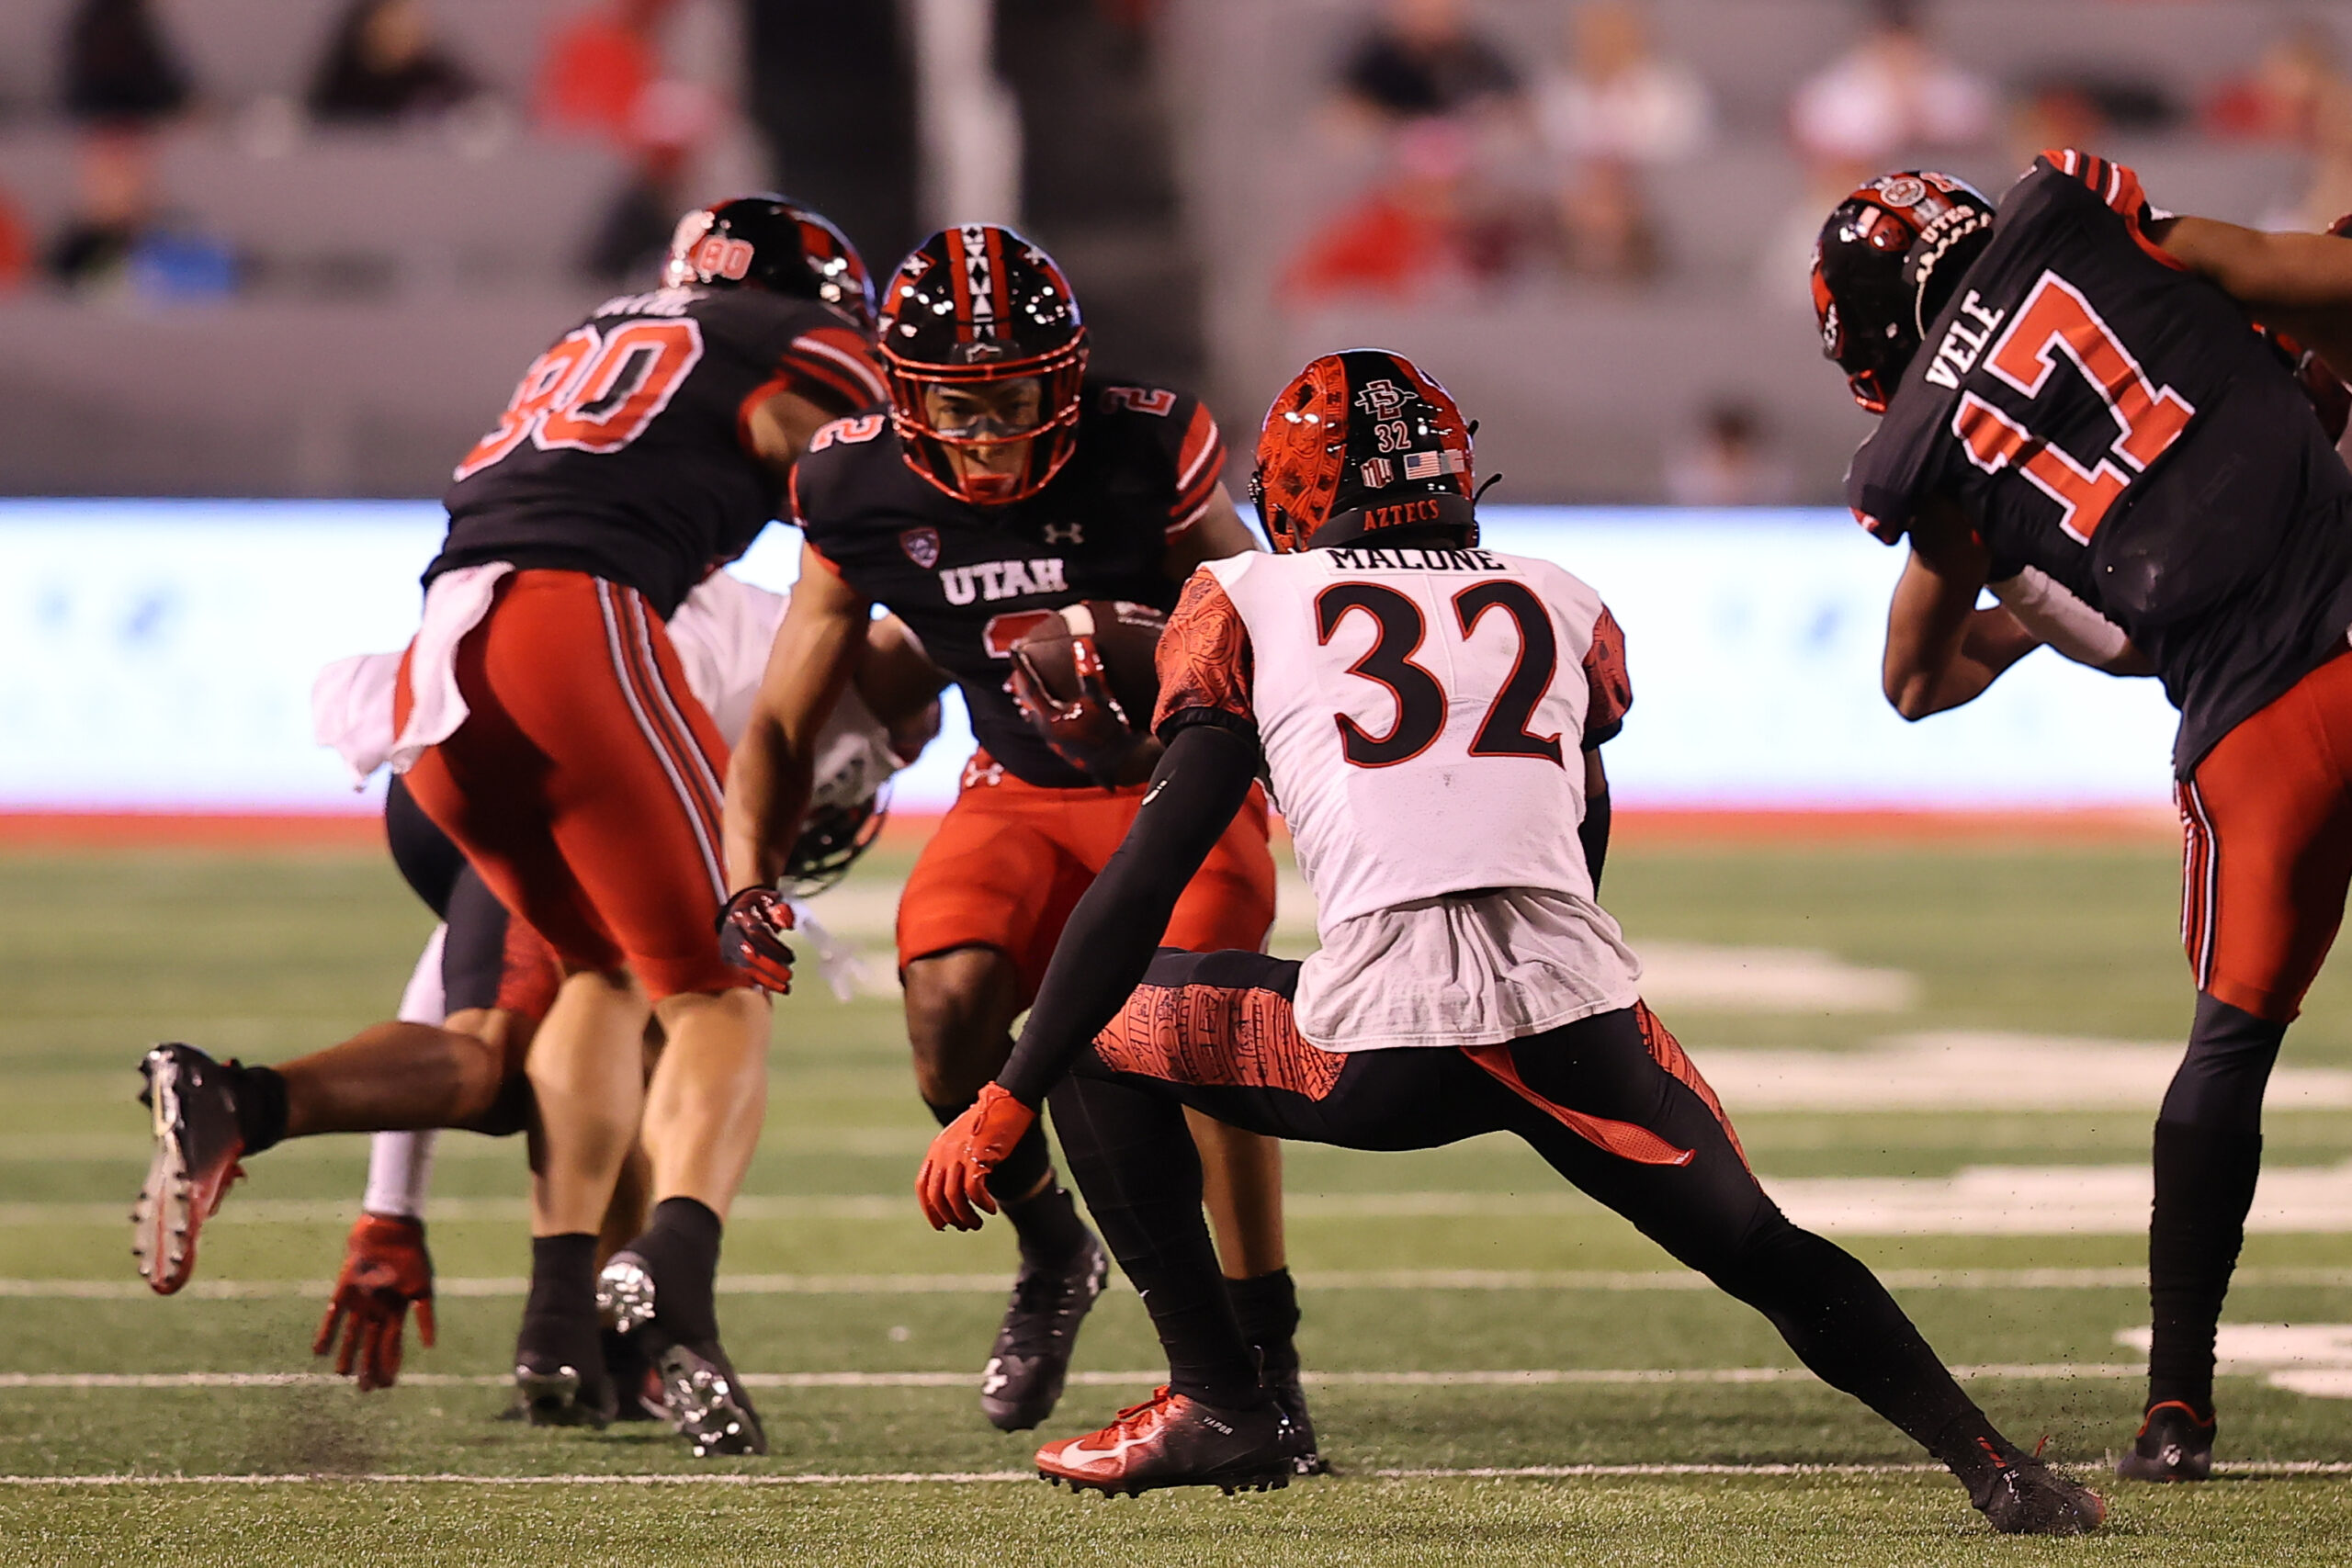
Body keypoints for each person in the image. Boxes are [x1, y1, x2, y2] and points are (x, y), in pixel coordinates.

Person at [912, 347, 2105, 1534]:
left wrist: (1009, 1092)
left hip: (1375, 1041)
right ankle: (1996, 1463)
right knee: (1763, 1246)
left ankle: (1224, 1397)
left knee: (1086, 1037)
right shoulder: (1562, 595)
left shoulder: (1244, 602)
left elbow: (1145, 872)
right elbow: (1580, 816)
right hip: (1575, 1019)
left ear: (1292, 487)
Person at [721, 224, 1318, 1463]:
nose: (992, 429)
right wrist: (744, 876)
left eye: (1020, 397)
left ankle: (1262, 1353)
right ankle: (1055, 1245)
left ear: (1072, 380)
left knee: (1196, 1040)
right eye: (961, 402)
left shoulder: (1146, 443)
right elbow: (785, 710)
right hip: (1010, 784)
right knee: (944, 1005)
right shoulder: (854, 485)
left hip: (1175, 784)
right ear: (903, 395)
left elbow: (1281, 630)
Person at [1814, 152, 2352, 1484]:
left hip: (2258, 725)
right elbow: (2317, 273)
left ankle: (2178, 1405)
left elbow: (1912, 684)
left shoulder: (1925, 461)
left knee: (2228, 1049)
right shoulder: (2084, 217)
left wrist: (2035, 602)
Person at [134, 570, 937, 1404]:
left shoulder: (777, 665)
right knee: (535, 1044)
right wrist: (390, 1207)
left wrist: (392, 1210)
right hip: (529, 743)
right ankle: (243, 1102)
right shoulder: (765, 661)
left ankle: (600, 1345)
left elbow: (459, 959)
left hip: (482, 735)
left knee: (635, 1037)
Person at [378, 196, 879, 1453]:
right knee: (723, 976)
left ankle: (565, 1314)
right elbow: (820, 458)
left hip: (445, 649)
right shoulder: (794, 348)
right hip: (573, 623)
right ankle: (676, 1276)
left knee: (595, 975)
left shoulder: (597, 329)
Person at [306, 0, 480, 125]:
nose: (398, 31)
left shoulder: (437, 75)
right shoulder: (341, 81)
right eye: (389, 22)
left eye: (405, 23)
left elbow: (481, 107)